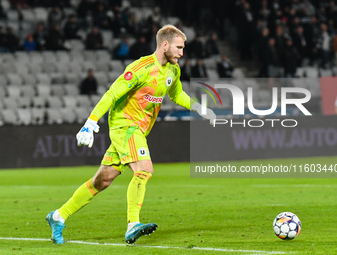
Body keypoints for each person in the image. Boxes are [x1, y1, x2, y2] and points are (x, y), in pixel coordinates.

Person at [46, 24, 216, 245]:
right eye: (179, 47)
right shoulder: (141, 67)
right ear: (164, 45)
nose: (182, 53)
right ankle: (132, 224)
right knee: (144, 170)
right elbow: (112, 93)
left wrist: (200, 108)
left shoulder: (173, 70)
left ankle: (58, 216)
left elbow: (177, 94)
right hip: (124, 126)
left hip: (138, 130)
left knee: (102, 180)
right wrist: (91, 121)